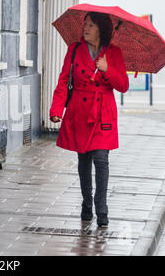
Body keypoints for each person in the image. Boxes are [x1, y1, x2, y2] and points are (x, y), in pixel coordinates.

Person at [49, 12, 129, 227]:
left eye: (91, 25)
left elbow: (123, 85)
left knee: (101, 159)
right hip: (80, 112)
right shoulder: (73, 50)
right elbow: (64, 80)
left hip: (103, 112)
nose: (85, 28)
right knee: (84, 160)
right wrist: (57, 109)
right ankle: (86, 204)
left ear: (101, 29)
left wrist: (107, 69)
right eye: (85, 24)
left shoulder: (113, 53)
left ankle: (101, 206)